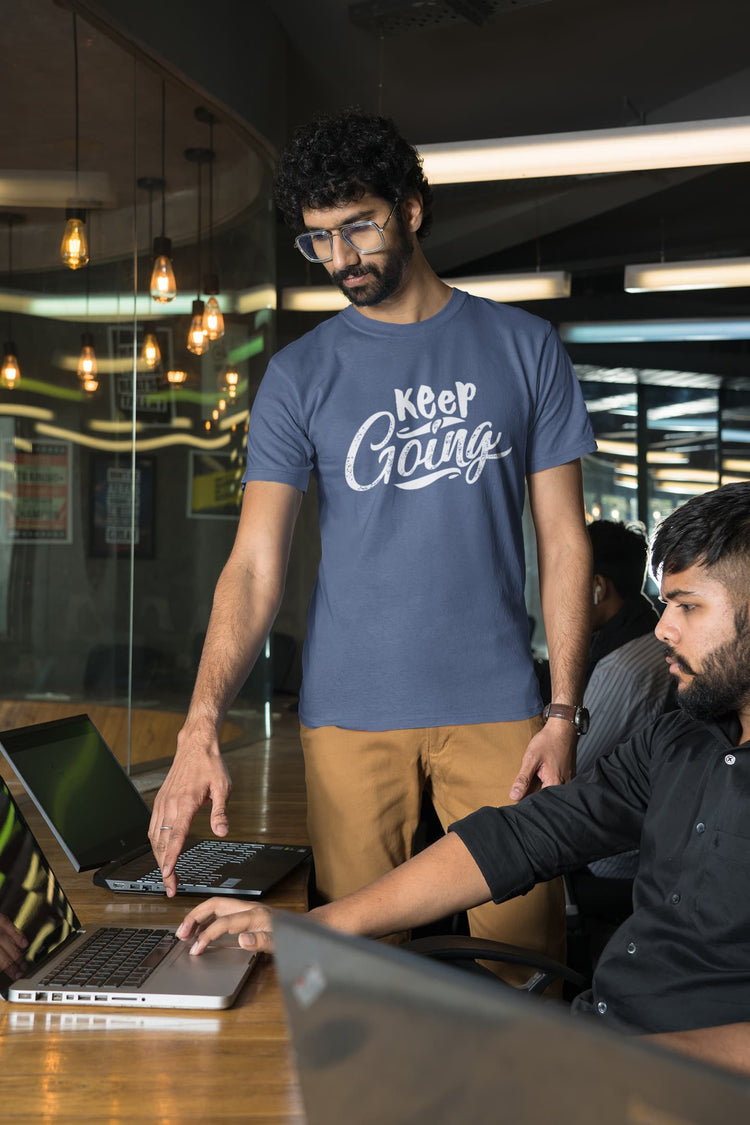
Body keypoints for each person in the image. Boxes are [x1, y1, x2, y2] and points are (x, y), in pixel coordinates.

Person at [150, 109, 596, 975]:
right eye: (319, 239)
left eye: (360, 225)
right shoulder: (299, 373)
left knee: (524, 966)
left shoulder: (524, 347)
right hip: (348, 713)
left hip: (502, 706)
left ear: (413, 209)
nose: (342, 257)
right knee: (363, 969)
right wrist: (198, 723)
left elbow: (564, 542)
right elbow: (254, 563)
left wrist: (565, 708)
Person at [176, 481, 750, 1072]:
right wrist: (311, 927)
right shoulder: (678, 741)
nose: (661, 629)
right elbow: (522, 837)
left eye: (688, 606)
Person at [577, 520, 674, 884]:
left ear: (598, 587)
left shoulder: (622, 667)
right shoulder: (646, 634)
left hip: (611, 857)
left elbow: (569, 767)